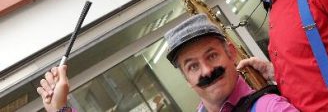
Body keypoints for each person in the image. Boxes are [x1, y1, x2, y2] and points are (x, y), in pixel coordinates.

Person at [36, 14, 298, 112]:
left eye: (212, 56)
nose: (207, 71)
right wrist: (60, 109)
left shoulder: (269, 106)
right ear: (186, 79)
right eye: (193, 66)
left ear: (231, 53)